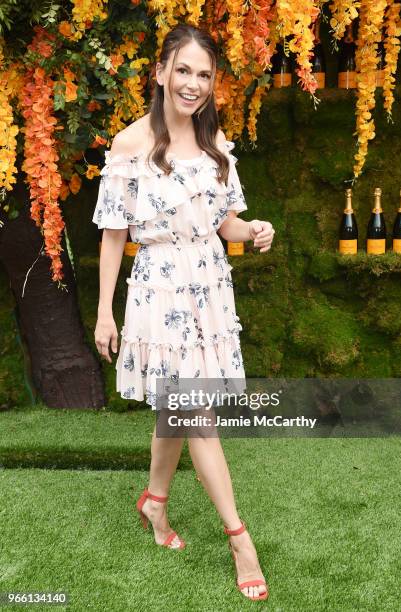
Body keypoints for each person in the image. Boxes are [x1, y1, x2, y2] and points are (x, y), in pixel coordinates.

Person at [93, 23, 274, 602]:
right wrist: (104, 312)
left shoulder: (216, 146)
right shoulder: (129, 146)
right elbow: (113, 237)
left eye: (204, 74)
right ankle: (240, 538)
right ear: (160, 72)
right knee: (196, 414)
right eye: (184, 70)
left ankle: (155, 502)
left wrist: (255, 231)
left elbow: (227, 225)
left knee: (179, 409)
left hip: (210, 291)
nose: (193, 83)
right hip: (160, 293)